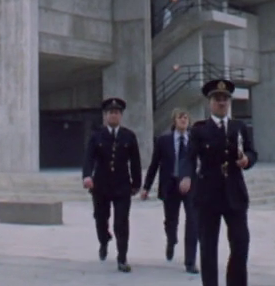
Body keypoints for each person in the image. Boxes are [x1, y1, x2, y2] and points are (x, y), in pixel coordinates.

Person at [179, 79, 258, 286]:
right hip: (208, 194)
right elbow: (189, 157)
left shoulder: (239, 128)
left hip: (234, 193)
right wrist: (186, 176)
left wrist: (247, 161)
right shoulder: (200, 129)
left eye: (225, 99)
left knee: (241, 242)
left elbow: (253, 152)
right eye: (217, 99)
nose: (221, 103)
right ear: (210, 103)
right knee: (209, 245)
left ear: (229, 102)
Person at [82, 97, 142, 273]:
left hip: (122, 185)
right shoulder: (96, 136)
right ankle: (103, 240)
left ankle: (122, 257)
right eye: (110, 112)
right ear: (105, 115)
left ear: (121, 116)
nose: (113, 115)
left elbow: (135, 161)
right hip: (100, 185)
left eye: (116, 112)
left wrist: (137, 183)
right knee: (101, 219)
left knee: (121, 222)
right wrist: (87, 176)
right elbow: (88, 158)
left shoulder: (128, 136)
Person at [142, 108, 198, 274]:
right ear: (174, 121)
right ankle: (171, 240)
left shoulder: (195, 140)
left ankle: (190, 261)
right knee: (171, 220)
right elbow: (154, 165)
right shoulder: (163, 141)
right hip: (170, 185)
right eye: (180, 117)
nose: (183, 120)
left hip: (190, 186)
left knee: (193, 221)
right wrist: (146, 187)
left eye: (186, 117)